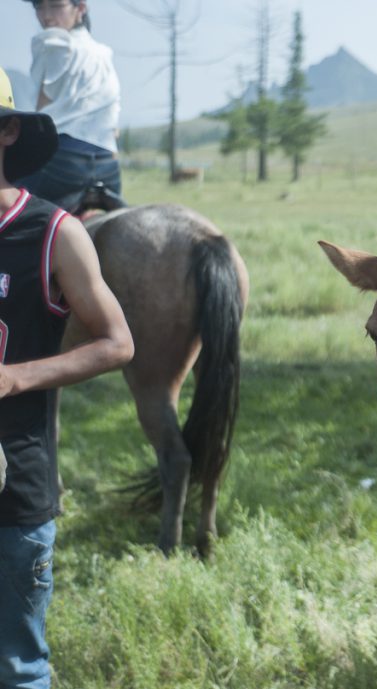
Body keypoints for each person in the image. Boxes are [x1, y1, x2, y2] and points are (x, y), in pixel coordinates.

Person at [0, 66, 134, 689]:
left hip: (15, 488)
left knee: (17, 665)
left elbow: (117, 343)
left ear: (6, 132)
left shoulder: (54, 231)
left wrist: (17, 377)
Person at [15, 0, 123, 213]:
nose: (46, 15)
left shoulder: (51, 42)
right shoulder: (103, 53)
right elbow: (114, 125)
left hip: (62, 164)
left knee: (11, 210)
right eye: (39, 6)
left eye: (55, 6)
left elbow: (41, 110)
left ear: (80, 8)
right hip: (108, 170)